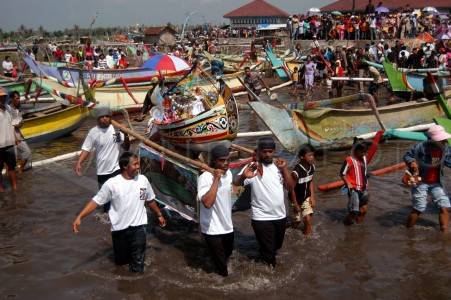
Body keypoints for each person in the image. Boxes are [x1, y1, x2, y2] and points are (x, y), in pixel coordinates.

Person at [72, 152, 166, 273]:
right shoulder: (112, 184)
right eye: (135, 164)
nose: (138, 166)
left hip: (139, 228)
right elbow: (96, 201)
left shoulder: (143, 180)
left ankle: (136, 286)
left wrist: (159, 214)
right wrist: (80, 216)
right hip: (119, 229)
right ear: (125, 167)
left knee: (137, 266)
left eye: (138, 163)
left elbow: (150, 200)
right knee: (121, 264)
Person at [234, 137, 295, 267]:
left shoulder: (279, 166)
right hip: (261, 218)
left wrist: (284, 169)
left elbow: (290, 187)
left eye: (270, 151)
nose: (267, 154)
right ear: (259, 152)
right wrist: (243, 176)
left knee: (276, 246)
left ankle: (261, 256)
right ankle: (271, 275)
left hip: (280, 216)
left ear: (274, 151)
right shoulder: (252, 167)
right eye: (264, 151)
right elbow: (235, 185)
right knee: (270, 255)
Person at [74, 107, 130, 211]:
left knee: (119, 195)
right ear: (98, 119)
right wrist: (79, 162)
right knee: (105, 199)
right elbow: (86, 148)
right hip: (102, 171)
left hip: (115, 169)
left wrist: (125, 134)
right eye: (102, 117)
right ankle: (107, 217)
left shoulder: (115, 131)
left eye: (107, 116)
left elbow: (126, 147)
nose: (105, 119)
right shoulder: (93, 132)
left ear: (110, 118)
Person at [404, 125, 451, 232]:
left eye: (444, 140)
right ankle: (408, 230)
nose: (443, 142)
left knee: (445, 207)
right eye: (441, 140)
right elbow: (407, 156)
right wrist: (412, 162)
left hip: (437, 182)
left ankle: (444, 233)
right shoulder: (420, 147)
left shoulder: (446, 148)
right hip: (421, 181)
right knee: (419, 207)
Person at [197, 145, 234, 276]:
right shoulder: (206, 178)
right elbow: (207, 203)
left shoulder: (229, 174)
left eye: (228, 160)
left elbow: (233, 190)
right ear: (214, 161)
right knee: (222, 270)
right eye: (222, 160)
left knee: (228, 255)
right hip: (212, 229)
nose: (226, 163)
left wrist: (242, 178)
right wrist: (216, 179)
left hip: (228, 226)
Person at [340, 131, 384, 225]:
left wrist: (379, 135)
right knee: (354, 212)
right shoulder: (349, 160)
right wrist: (348, 184)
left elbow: (373, 149)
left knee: (363, 210)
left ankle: (359, 227)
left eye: (365, 152)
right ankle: (346, 225)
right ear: (355, 150)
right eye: (362, 152)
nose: (364, 154)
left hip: (363, 188)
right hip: (354, 189)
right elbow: (342, 174)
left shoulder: (364, 158)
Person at [289, 144, 316, 235]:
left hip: (306, 198)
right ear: (301, 157)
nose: (312, 158)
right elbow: (291, 189)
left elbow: (311, 181)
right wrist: (296, 204)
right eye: (309, 155)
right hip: (295, 199)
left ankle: (307, 240)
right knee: (297, 221)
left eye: (313, 155)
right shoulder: (296, 172)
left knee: (308, 219)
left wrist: (312, 197)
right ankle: (291, 230)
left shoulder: (312, 167)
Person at [8, 91, 32, 172]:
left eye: (19, 98)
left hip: (19, 136)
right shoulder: (8, 110)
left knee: (27, 152)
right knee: (11, 160)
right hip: (11, 137)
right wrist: (15, 139)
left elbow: (19, 123)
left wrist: (21, 124)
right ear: (12, 99)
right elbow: (9, 126)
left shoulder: (18, 109)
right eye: (17, 98)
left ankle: (20, 170)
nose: (19, 100)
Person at [0, 88, 17, 191]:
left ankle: (15, 188)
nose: (2, 99)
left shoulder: (8, 110)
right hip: (0, 145)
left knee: (12, 168)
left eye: (3, 97)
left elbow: (13, 125)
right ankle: (1, 191)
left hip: (10, 144)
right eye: (0, 97)